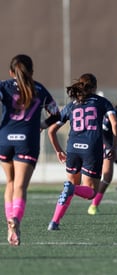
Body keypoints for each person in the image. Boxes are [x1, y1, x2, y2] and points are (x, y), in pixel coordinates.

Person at [0, 54, 60, 246]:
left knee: (9, 183)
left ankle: (10, 222)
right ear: (32, 72)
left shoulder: (4, 86)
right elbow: (56, 113)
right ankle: (15, 219)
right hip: (27, 140)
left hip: (4, 139)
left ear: (11, 72)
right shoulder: (40, 89)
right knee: (20, 186)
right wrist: (43, 123)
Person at [47, 73, 117, 230]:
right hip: (92, 149)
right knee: (91, 193)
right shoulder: (102, 102)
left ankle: (54, 222)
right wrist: (113, 147)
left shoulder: (72, 105)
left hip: (72, 148)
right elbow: (114, 124)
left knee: (70, 187)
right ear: (94, 87)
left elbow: (51, 130)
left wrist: (58, 150)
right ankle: (70, 191)